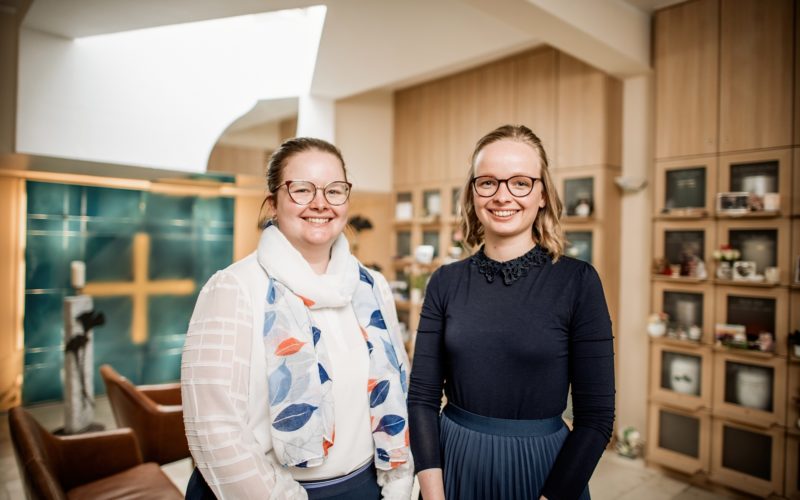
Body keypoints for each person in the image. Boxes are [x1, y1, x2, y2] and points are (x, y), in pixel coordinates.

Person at [182, 137, 413, 499]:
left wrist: (398, 485)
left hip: (366, 489)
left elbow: (400, 388)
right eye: (302, 189)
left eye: (334, 190)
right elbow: (215, 429)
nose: (320, 203)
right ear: (272, 203)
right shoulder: (233, 288)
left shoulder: (373, 286)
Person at [408, 125, 615, 500]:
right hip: (453, 465)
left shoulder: (578, 282)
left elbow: (596, 418)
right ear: (473, 194)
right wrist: (434, 495)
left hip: (543, 472)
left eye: (520, 182)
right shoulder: (444, 281)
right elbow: (422, 399)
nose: (502, 196)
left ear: (542, 195)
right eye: (487, 182)